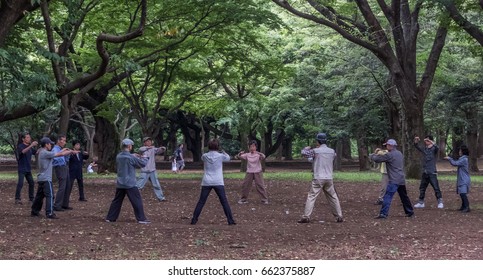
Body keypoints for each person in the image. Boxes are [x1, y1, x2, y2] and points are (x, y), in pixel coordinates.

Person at [298, 133, 343, 223]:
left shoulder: (315, 151)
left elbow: (304, 153)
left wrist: (305, 148)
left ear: (318, 141)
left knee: (311, 196)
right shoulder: (332, 151)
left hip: (318, 177)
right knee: (333, 197)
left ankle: (306, 216)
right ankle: (339, 215)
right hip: (329, 177)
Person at [191, 138, 236, 225]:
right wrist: (223, 151)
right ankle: (230, 220)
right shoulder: (221, 156)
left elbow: (202, 157)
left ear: (209, 146)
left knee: (201, 201)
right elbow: (228, 158)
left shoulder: (205, 156)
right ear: (217, 147)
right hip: (218, 181)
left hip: (207, 181)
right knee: (224, 201)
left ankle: (194, 220)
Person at [105, 138, 151, 224]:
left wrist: (133, 155)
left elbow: (127, 158)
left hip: (120, 182)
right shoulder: (130, 157)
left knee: (117, 201)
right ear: (129, 146)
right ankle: (141, 219)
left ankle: (110, 217)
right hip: (130, 183)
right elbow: (142, 164)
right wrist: (146, 157)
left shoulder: (119, 156)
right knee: (137, 201)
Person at [31, 137, 74, 219]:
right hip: (46, 179)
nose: (51, 145)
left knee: (39, 196)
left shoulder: (44, 152)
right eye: (50, 144)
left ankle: (34, 211)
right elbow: (59, 154)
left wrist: (63, 149)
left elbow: (57, 153)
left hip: (41, 178)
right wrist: (70, 151)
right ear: (46, 144)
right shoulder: (45, 153)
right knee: (50, 195)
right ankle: (49, 213)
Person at [370, 139, 414, 219]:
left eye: (387, 145)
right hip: (401, 178)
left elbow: (377, 160)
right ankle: (410, 212)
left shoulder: (389, 155)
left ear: (390, 146)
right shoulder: (399, 153)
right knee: (404, 196)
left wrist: (372, 155)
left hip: (394, 180)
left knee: (387, 196)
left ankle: (383, 214)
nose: (386, 146)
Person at [413, 135, 444, 209]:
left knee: (436, 187)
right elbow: (416, 146)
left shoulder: (434, 149)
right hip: (425, 171)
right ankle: (421, 202)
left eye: (428, 140)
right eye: (425, 141)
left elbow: (437, 147)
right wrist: (416, 141)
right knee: (422, 187)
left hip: (432, 172)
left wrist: (431, 142)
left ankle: (440, 202)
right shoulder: (424, 149)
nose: (426, 142)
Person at [236, 140, 269, 205]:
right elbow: (238, 157)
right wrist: (240, 153)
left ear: (256, 147)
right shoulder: (247, 155)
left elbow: (263, 157)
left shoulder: (258, 155)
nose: (252, 148)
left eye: (253, 146)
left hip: (257, 172)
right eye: (250, 146)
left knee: (260, 185)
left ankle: (264, 199)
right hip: (249, 172)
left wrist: (260, 153)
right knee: (245, 185)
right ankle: (243, 199)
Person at [52, 135, 79, 211]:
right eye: (63, 140)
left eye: (65, 140)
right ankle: (57, 205)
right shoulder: (55, 149)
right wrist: (67, 152)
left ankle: (64, 204)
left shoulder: (61, 149)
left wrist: (69, 153)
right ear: (58, 140)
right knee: (62, 186)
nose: (64, 142)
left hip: (65, 167)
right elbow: (56, 158)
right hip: (60, 167)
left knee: (68, 185)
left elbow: (65, 159)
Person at [136, 137, 167, 202]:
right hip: (144, 171)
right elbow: (141, 149)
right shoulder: (142, 149)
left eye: (150, 141)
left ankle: (161, 198)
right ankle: (134, 197)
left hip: (152, 171)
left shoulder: (153, 149)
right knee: (139, 186)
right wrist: (149, 148)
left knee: (156, 185)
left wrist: (163, 148)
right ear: (144, 143)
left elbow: (160, 150)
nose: (149, 142)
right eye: (147, 141)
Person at [444, 145, 471, 212]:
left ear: (463, 151)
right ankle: (463, 206)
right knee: (461, 192)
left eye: (460, 150)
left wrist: (449, 158)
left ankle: (467, 207)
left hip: (464, 179)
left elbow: (455, 163)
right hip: (462, 178)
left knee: (463, 193)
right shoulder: (462, 158)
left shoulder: (464, 159)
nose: (459, 152)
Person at [15, 132, 38, 205]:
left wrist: (43, 147)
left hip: (28, 169)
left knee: (31, 183)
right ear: (23, 139)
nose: (29, 138)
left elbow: (36, 152)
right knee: (20, 183)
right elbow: (23, 152)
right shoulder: (20, 146)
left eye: (29, 137)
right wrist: (31, 145)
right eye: (27, 137)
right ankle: (17, 199)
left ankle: (31, 199)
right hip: (22, 168)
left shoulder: (30, 148)